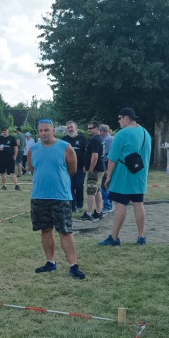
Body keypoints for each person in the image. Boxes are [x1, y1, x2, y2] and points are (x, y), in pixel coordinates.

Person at [28, 119, 86, 280]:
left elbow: (72, 170)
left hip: (60, 197)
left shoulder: (65, 147)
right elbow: (33, 169)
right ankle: (50, 262)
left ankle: (73, 266)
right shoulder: (33, 150)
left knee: (65, 231)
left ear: (53, 131)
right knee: (45, 229)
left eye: (46, 130)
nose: (43, 133)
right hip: (39, 196)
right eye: (40, 131)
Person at [99, 108, 151, 246]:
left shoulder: (122, 134)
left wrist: (108, 176)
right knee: (138, 204)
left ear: (126, 118)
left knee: (120, 205)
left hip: (123, 176)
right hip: (140, 176)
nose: (119, 121)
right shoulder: (145, 133)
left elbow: (112, 158)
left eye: (119, 118)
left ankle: (114, 237)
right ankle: (141, 236)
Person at [80, 121, 105, 221]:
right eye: (88, 128)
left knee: (91, 191)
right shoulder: (99, 138)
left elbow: (95, 157)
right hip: (99, 168)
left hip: (95, 170)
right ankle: (98, 211)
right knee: (97, 190)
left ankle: (89, 213)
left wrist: (90, 169)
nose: (88, 130)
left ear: (97, 128)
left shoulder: (95, 140)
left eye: (91, 128)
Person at [61, 121, 87, 210]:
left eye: (71, 127)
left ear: (76, 128)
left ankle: (79, 204)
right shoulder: (64, 139)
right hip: (67, 168)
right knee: (70, 186)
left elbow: (86, 153)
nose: (70, 129)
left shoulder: (82, 139)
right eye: (68, 128)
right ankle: (72, 205)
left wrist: (85, 165)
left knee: (79, 186)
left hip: (80, 168)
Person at [99, 124, 114, 214]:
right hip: (109, 164)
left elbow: (109, 155)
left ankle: (107, 205)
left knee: (104, 186)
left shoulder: (107, 140)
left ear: (102, 131)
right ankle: (109, 204)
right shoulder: (112, 138)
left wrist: (107, 169)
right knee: (108, 186)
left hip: (106, 164)